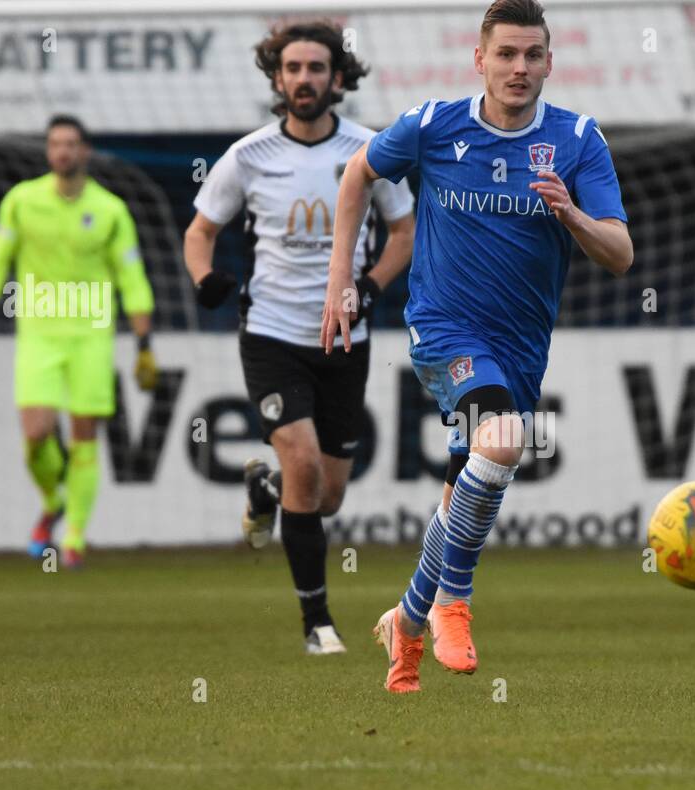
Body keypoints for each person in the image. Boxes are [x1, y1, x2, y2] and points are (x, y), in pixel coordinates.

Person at [321, 0, 633, 691]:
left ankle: (406, 622)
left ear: (550, 61)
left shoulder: (579, 140)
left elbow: (621, 255)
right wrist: (340, 280)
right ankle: (453, 604)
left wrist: (572, 214)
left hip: (521, 347)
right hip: (444, 331)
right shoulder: (434, 126)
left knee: (468, 482)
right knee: (502, 440)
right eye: (506, 54)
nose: (518, 68)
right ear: (480, 60)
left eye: (532, 55)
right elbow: (356, 175)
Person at [185, 21, 414, 654]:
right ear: (277, 78)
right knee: (305, 466)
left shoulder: (373, 150)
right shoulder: (249, 155)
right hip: (272, 333)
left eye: (317, 68)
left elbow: (405, 233)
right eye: (293, 69)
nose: (304, 79)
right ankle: (317, 624)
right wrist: (205, 278)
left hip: (345, 337)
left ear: (337, 79)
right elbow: (199, 231)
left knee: (326, 495)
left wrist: (367, 287)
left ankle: (264, 489)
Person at [0, 115, 156, 568]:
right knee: (35, 436)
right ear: (49, 152)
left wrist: (144, 343)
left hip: (92, 335)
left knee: (85, 437)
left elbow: (132, 275)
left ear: (85, 151)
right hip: (39, 334)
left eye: (71, 143)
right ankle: (53, 500)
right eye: (55, 144)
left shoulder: (110, 210)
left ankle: (73, 536)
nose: (63, 151)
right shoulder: (22, 201)